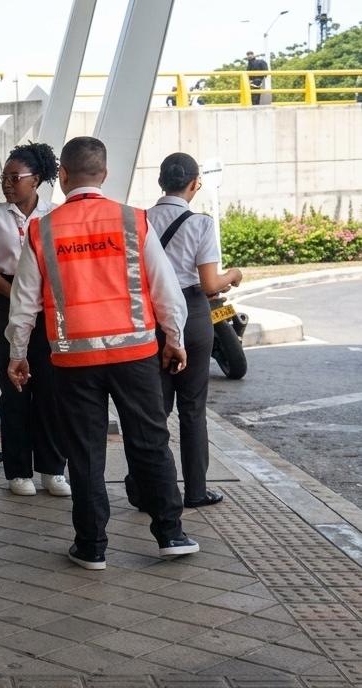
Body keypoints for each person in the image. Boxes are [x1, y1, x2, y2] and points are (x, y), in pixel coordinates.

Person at [6, 135, 199, 571]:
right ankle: (170, 532)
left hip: (73, 360)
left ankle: (92, 546)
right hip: (135, 354)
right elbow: (165, 288)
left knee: (86, 452)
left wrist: (18, 355)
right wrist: (175, 338)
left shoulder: (44, 228)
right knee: (150, 443)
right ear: (105, 174)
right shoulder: (133, 220)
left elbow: (24, 305)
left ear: (65, 176)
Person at [137, 152, 242, 509]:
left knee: (154, 408)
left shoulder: (140, 219)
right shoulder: (200, 223)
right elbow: (211, 284)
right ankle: (195, 490)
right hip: (193, 313)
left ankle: (143, 486)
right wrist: (234, 276)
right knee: (192, 408)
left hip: (151, 316)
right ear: (195, 184)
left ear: (160, 181)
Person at [0, 142, 69, 497]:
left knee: (51, 389)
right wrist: (17, 294)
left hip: (48, 305)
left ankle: (53, 470)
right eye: (4, 177)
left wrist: (36, 297)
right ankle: (18, 471)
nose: (7, 184)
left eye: (15, 177)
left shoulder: (54, 215)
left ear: (37, 179)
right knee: (15, 386)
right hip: (6, 298)